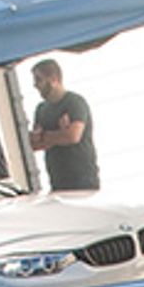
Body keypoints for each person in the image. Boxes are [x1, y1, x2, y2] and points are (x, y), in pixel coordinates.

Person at [28, 59, 99, 193]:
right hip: (57, 180)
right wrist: (59, 134)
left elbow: (73, 136)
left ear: (53, 79)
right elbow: (35, 144)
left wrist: (47, 137)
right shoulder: (41, 109)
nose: (35, 85)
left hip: (83, 179)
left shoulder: (74, 102)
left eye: (39, 80)